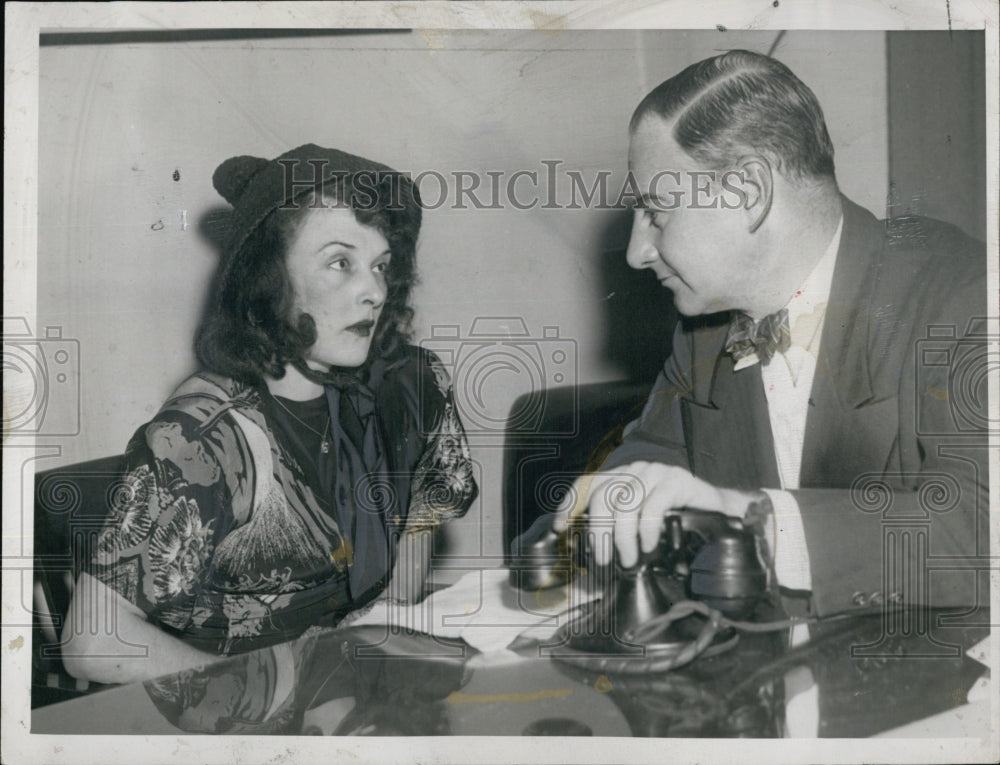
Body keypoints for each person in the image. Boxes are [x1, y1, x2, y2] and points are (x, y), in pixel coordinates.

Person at [554, 50, 988, 620]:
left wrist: (747, 519)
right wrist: (623, 488)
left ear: (747, 193)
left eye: (656, 212)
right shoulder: (705, 329)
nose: (636, 253)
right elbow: (654, 449)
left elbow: (979, 528)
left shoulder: (967, 296)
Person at [63, 144, 478, 683]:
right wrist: (275, 702)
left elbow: (423, 511)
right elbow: (93, 641)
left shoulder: (411, 386)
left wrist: (389, 621)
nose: (374, 290)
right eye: (340, 262)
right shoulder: (203, 438)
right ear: (270, 279)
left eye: (380, 266)